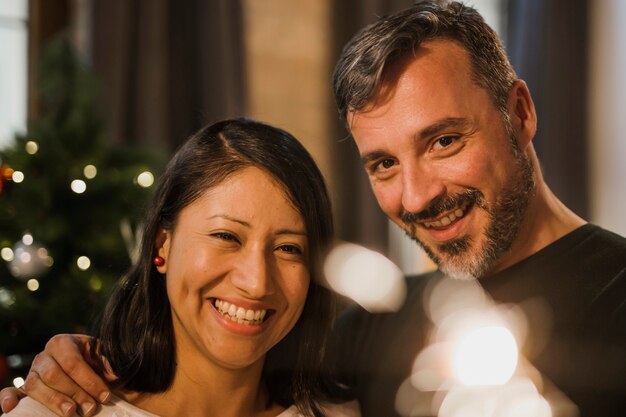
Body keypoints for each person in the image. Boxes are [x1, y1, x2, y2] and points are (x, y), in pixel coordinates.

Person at [2, 1, 626, 416]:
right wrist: (71, 361)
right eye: (383, 163)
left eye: (443, 141)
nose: (416, 196)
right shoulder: (369, 332)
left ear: (519, 114)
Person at [0, 118, 359, 417]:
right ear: (162, 244)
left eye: (287, 248)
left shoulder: (341, 412)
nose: (256, 282)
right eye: (226, 236)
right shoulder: (59, 410)